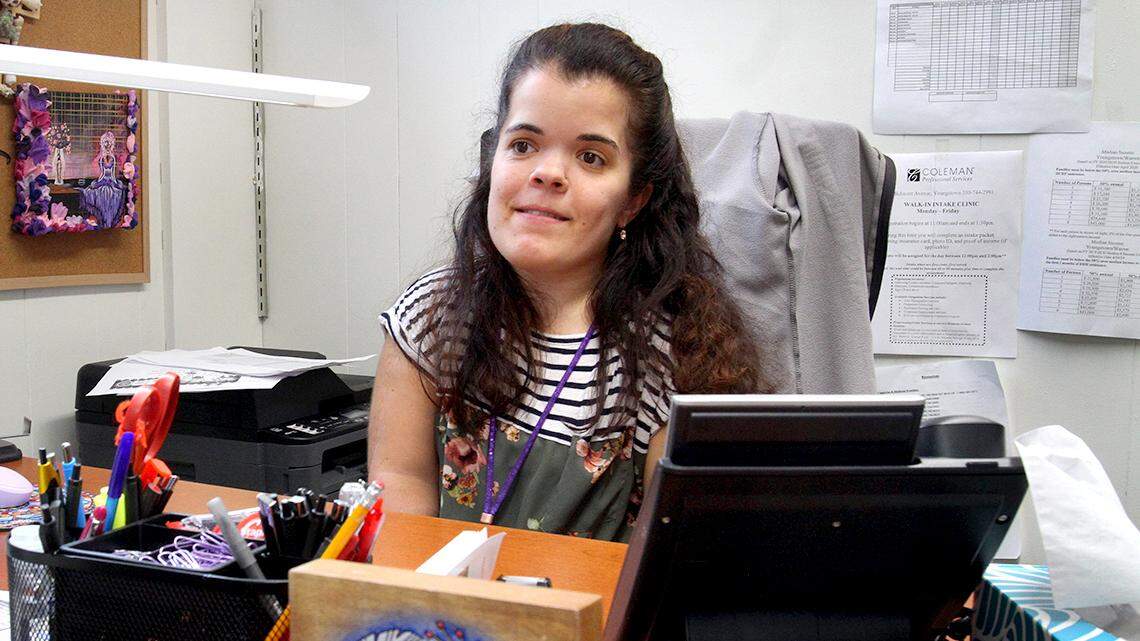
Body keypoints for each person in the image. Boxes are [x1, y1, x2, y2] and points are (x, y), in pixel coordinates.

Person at [369, 23, 766, 542]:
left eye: (590, 157)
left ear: (633, 200)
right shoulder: (428, 317)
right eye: (524, 145)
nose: (548, 173)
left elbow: (667, 559)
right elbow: (399, 482)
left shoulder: (672, 355)